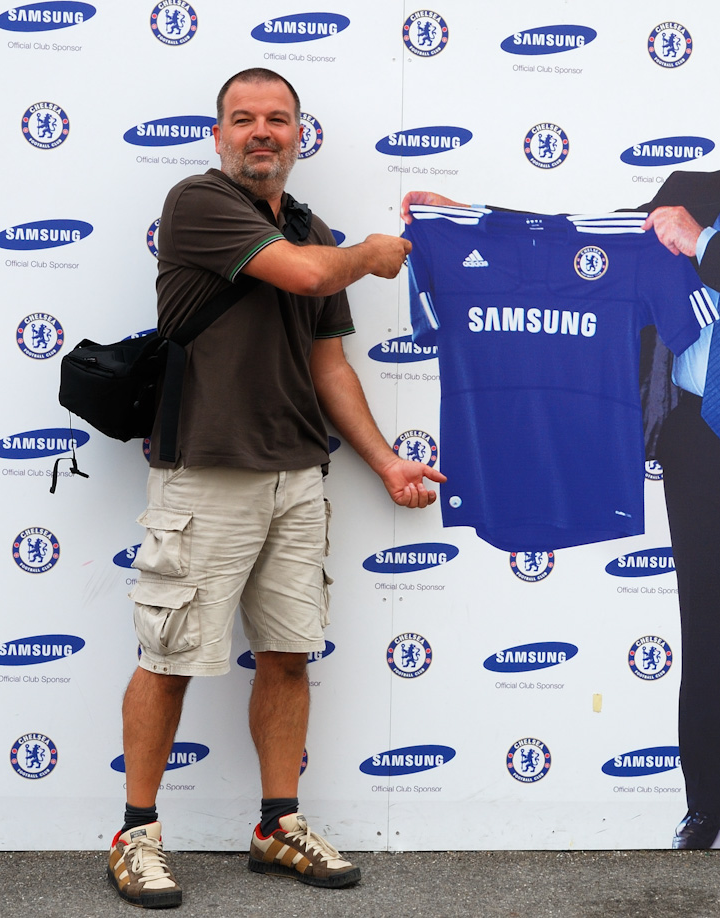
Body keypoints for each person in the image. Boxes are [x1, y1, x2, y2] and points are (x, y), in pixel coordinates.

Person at [401, 64, 720, 851]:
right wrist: (469, 219)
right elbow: (590, 241)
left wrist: (703, 242)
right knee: (707, 636)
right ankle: (706, 810)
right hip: (698, 448)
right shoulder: (690, 183)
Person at [109, 68, 444, 909]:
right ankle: (136, 833)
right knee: (171, 656)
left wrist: (384, 460)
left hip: (297, 477)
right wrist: (369, 256)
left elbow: (329, 366)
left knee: (290, 656)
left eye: (279, 119)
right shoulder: (199, 202)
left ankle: (276, 826)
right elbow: (304, 275)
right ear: (219, 133)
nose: (262, 132)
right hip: (207, 472)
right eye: (244, 118)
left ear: (301, 134)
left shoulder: (309, 225)